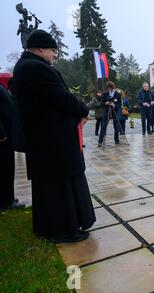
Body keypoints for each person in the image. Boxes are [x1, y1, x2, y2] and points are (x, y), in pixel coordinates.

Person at [13, 30, 95, 243]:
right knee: (60, 186)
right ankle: (64, 230)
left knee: (50, 187)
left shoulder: (25, 67)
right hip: (53, 140)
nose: (55, 54)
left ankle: (51, 227)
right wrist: (84, 110)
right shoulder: (37, 68)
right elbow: (63, 98)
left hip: (44, 139)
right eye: (52, 50)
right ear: (40, 48)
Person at [0, 75, 25, 211]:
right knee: (4, 169)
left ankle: (7, 197)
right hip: (3, 138)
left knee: (8, 169)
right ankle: (5, 201)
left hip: (7, 135)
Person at [98, 81, 122, 147]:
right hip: (106, 112)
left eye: (112, 88)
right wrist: (106, 103)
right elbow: (102, 103)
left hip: (115, 112)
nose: (110, 90)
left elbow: (120, 104)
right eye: (109, 88)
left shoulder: (118, 94)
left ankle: (117, 140)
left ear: (113, 87)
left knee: (116, 127)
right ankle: (100, 141)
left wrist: (114, 105)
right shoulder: (105, 94)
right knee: (103, 126)